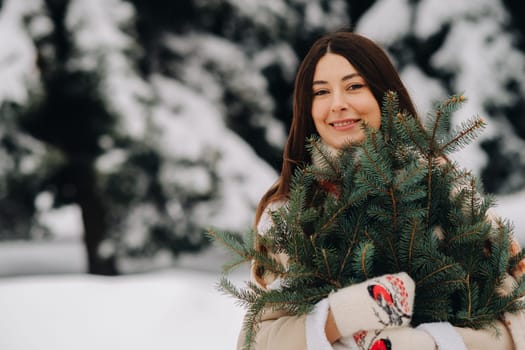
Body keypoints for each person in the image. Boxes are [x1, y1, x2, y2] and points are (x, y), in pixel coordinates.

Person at [238, 30, 525, 350]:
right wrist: (340, 316)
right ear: (308, 107)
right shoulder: (290, 216)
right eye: (321, 92)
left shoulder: (449, 194)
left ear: (383, 94)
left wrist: (433, 344)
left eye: (354, 86)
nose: (337, 104)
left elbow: (517, 314)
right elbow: (255, 340)